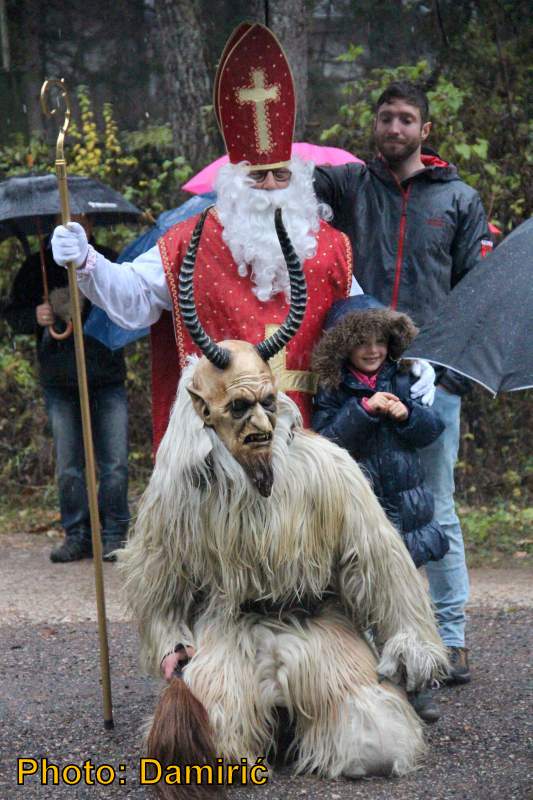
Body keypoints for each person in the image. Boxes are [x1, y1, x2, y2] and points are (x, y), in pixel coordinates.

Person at [120, 203, 448, 784]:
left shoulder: (325, 468)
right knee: (207, 753)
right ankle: (264, 717)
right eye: (240, 409)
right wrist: (171, 641)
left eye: (267, 405)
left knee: (371, 746)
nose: (262, 425)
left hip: (318, 623)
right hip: (230, 630)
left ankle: (311, 713)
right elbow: (160, 582)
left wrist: (406, 634)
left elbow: (375, 559)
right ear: (205, 411)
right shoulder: (181, 490)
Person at [50, 39, 435, 455]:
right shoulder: (187, 243)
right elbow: (133, 299)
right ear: (234, 180)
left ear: (299, 180)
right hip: (218, 443)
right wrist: (86, 260)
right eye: (258, 176)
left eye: (281, 176)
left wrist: (407, 361)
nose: (270, 187)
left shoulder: (327, 246)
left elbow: (363, 326)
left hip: (310, 442)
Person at [313, 81, 493, 684]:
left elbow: (475, 295)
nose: (394, 128)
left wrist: (442, 370)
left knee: (434, 506)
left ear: (425, 130)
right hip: (357, 381)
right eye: (386, 117)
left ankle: (450, 636)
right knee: (361, 511)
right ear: (375, 123)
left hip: (428, 381)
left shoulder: (460, 200)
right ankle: (369, 637)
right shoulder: (348, 186)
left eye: (406, 119)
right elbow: (283, 187)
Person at [311, 293, 449, 722]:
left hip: (406, 514)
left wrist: (406, 413)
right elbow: (326, 441)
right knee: (365, 602)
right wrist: (364, 410)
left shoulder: (403, 379)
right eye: (362, 342)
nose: (373, 350)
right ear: (344, 346)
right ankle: (374, 682)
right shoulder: (334, 390)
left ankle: (419, 684)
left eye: (380, 341)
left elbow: (431, 431)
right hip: (363, 516)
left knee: (410, 605)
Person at [5, 215, 129, 563]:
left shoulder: (108, 258)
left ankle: (115, 532)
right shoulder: (36, 268)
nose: (76, 225)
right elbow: (13, 315)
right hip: (59, 379)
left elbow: (131, 307)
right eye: (67, 219)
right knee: (69, 464)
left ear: (91, 225)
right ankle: (77, 534)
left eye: (82, 220)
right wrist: (36, 315)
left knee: (115, 462)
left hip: (106, 375)